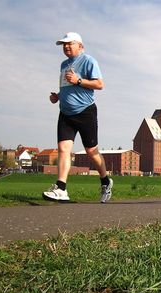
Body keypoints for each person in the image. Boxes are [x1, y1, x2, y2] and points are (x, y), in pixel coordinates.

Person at [43, 32, 113, 203]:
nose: (66, 47)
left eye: (69, 43)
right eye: (63, 44)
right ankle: (61, 188)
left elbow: (99, 84)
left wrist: (79, 80)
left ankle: (105, 181)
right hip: (66, 113)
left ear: (80, 46)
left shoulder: (89, 61)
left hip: (85, 112)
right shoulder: (63, 65)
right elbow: (68, 85)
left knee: (91, 151)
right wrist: (58, 97)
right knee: (63, 149)